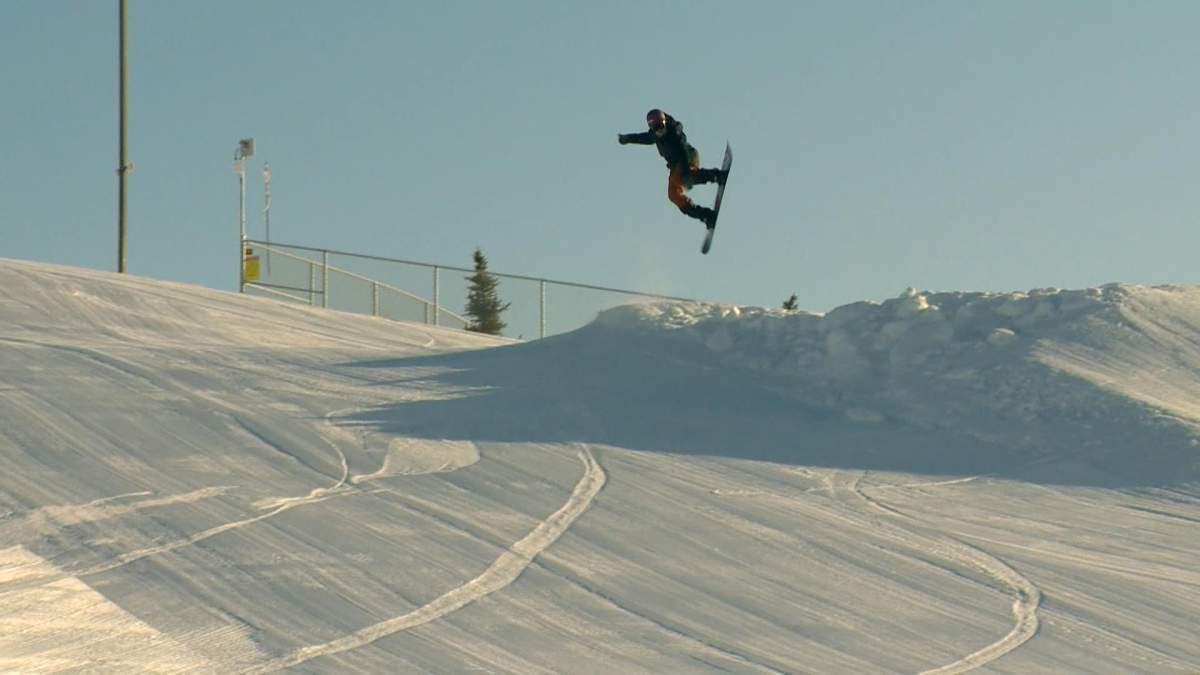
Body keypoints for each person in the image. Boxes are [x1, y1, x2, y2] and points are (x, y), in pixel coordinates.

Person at [618, 108, 727, 229]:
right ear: (652, 129)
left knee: (681, 179)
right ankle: (706, 215)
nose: (660, 130)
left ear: (665, 122)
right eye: (656, 128)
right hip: (675, 166)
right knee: (673, 195)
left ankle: (716, 175)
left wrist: (687, 173)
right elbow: (642, 138)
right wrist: (627, 138)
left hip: (687, 156)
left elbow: (683, 149)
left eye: (661, 126)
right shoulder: (655, 135)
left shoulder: (674, 132)